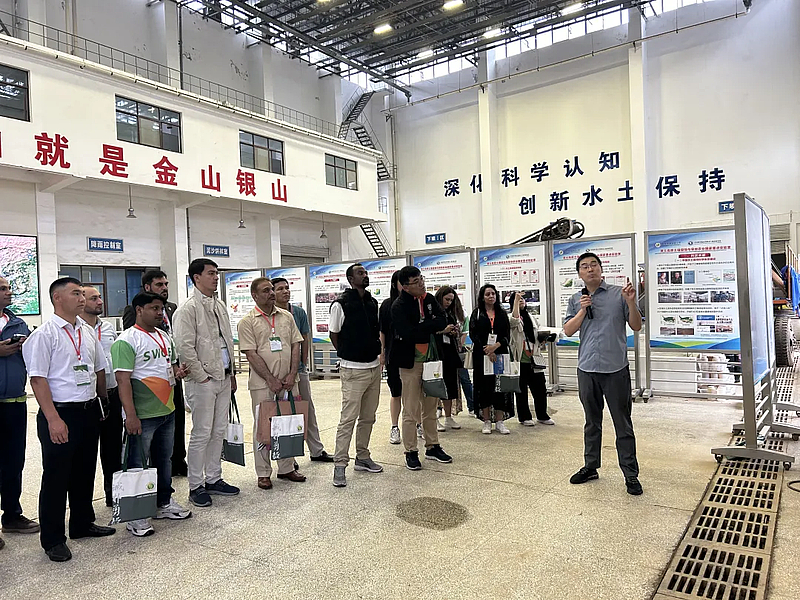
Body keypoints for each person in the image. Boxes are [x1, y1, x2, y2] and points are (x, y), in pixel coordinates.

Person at [22, 277, 115, 562]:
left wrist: (102, 402)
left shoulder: (86, 331)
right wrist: (53, 419)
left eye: (82, 294)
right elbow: (38, 380)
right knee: (56, 476)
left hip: (88, 409)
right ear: (57, 298)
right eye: (76, 293)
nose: (82, 299)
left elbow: (98, 368)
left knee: (84, 471)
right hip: (60, 412)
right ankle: (53, 539)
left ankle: (82, 523)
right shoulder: (45, 334)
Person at [112, 292, 192, 536]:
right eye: (154, 308)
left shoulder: (164, 337)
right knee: (137, 463)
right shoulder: (126, 341)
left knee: (164, 460)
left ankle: (163, 502)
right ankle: (135, 515)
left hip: (167, 410)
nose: (160, 313)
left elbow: (171, 366)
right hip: (142, 414)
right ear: (139, 310)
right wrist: (130, 415)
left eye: (162, 309)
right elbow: (123, 380)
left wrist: (178, 373)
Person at [563, 252, 643, 496]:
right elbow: (568, 330)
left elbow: (636, 325)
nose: (590, 269)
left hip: (615, 369)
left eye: (594, 265)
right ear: (579, 273)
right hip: (587, 369)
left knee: (622, 423)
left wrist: (631, 302)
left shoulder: (620, 294)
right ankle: (591, 466)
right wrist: (581, 310)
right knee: (591, 421)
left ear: (601, 268)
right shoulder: (576, 299)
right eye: (584, 267)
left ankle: (630, 474)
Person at [173, 259, 240, 508]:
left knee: (218, 429)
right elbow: (184, 347)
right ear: (196, 278)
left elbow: (227, 341)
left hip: (223, 376)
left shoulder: (219, 305)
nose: (216, 278)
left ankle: (213, 478)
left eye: (217, 273)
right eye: (211, 273)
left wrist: (231, 373)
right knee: (201, 432)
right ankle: (196, 485)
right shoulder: (188, 309)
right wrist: (202, 376)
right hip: (203, 380)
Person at [238, 277, 307, 490]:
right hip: (263, 384)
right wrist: (270, 379)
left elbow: (296, 345)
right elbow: (251, 353)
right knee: (263, 427)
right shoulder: (247, 321)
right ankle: (263, 472)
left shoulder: (286, 316)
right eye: (266, 290)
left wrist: (292, 373)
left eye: (271, 290)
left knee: (288, 423)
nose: (271, 293)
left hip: (288, 382)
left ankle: (286, 467)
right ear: (254, 295)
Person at [123, 270, 187, 477]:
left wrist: (177, 368)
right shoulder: (134, 312)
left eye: (166, 284)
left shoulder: (172, 308)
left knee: (175, 423)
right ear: (147, 287)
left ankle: (177, 461)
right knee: (144, 443)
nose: (165, 288)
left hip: (170, 375)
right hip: (147, 384)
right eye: (159, 284)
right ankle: (145, 480)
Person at [391, 266, 453, 470]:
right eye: (416, 281)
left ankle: (433, 446)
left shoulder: (429, 299)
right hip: (410, 362)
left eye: (421, 279)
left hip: (431, 360)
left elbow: (443, 320)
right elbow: (408, 334)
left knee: (430, 407)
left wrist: (425, 326)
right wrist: (430, 326)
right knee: (411, 409)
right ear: (405, 286)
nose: (421, 284)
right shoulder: (399, 306)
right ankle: (411, 451)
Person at [330, 263, 384, 488]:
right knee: (348, 419)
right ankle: (340, 464)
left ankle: (362, 456)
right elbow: (334, 334)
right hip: (352, 369)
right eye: (360, 273)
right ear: (351, 279)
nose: (365, 275)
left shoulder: (372, 302)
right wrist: (347, 353)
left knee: (368, 417)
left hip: (373, 367)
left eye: (366, 272)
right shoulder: (340, 304)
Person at [272, 277, 332, 462]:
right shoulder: (270, 314)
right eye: (280, 289)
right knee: (283, 412)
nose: (285, 291)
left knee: (306, 409)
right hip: (277, 372)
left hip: (297, 370)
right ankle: (289, 457)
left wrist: (302, 364)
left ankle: (316, 450)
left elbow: (304, 338)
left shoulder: (298, 312)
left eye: (287, 288)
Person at [0, 276, 39, 550]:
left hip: (15, 401)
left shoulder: (18, 323)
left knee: (14, 462)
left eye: (8, 288)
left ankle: (12, 515)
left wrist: (25, 347)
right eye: (3, 289)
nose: (9, 292)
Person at [80, 285, 123, 507]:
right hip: (88, 399)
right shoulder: (75, 330)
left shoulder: (107, 328)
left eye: (100, 297)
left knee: (113, 448)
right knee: (85, 453)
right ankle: (83, 506)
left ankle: (113, 494)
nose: (100, 301)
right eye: (93, 298)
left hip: (112, 394)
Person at [470, 284, 512, 435]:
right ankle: (487, 420)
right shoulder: (477, 313)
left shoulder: (502, 313)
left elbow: (507, 335)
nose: (491, 296)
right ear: (482, 297)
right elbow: (474, 334)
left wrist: (495, 347)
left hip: (500, 354)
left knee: (500, 387)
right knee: (484, 388)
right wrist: (487, 350)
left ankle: (500, 421)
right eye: (487, 294)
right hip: (482, 355)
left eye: (493, 293)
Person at [509, 291, 555, 427]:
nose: (521, 300)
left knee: (540, 389)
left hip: (534, 359)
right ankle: (524, 417)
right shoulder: (510, 317)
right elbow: (514, 320)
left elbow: (537, 335)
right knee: (521, 391)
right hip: (519, 360)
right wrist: (516, 302)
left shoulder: (531, 318)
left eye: (522, 299)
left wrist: (543, 339)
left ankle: (542, 415)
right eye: (517, 299)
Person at [433, 286, 464, 431]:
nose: (449, 302)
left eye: (451, 300)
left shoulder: (450, 314)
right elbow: (429, 331)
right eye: (447, 299)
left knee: (450, 386)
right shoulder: (432, 313)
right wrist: (442, 331)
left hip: (449, 353)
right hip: (436, 353)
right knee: (436, 386)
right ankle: (433, 417)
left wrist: (454, 331)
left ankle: (448, 417)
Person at [379, 271, 403, 445]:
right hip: (393, 355)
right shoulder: (387, 305)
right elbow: (382, 332)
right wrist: (382, 354)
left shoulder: (416, 302)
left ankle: (418, 424)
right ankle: (394, 426)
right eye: (402, 282)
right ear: (395, 284)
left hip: (414, 356)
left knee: (415, 394)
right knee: (396, 392)